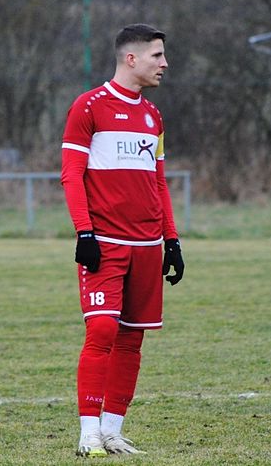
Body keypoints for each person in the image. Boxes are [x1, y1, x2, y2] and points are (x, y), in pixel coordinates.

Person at [61, 23, 185, 457]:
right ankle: (88, 434)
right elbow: (71, 174)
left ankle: (112, 431)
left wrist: (172, 240)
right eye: (157, 55)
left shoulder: (154, 117)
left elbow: (159, 182)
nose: (165, 63)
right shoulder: (88, 107)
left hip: (148, 245)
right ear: (131, 58)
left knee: (132, 338)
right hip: (105, 242)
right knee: (101, 329)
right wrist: (84, 231)